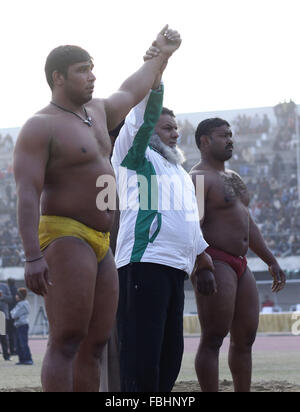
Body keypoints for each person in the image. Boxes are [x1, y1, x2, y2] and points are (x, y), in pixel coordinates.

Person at [13, 25, 182, 392]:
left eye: (92, 69)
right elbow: (27, 193)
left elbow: (133, 87)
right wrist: (30, 257)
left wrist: (161, 53)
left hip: (102, 239)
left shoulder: (99, 112)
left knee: (95, 343)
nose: (92, 77)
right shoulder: (40, 126)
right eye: (82, 71)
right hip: (64, 233)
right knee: (68, 339)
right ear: (58, 78)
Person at [111, 64, 213, 392]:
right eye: (168, 127)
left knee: (170, 356)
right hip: (144, 263)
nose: (176, 134)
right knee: (143, 357)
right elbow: (140, 115)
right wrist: (159, 68)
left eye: (176, 128)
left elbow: (189, 220)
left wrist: (203, 258)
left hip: (176, 268)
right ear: (151, 129)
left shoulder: (180, 173)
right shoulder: (136, 157)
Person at [190, 117, 286, 392]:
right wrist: (201, 264)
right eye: (224, 135)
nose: (230, 139)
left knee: (245, 338)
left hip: (241, 264)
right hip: (215, 259)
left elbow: (247, 222)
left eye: (231, 134)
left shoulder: (234, 178)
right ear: (205, 141)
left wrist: (270, 258)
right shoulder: (197, 178)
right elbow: (191, 224)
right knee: (214, 336)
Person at [10, 288, 33, 365]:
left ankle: (28, 359)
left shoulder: (22, 304)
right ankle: (22, 359)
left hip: (22, 325)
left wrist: (13, 313)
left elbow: (13, 315)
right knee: (19, 343)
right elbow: (13, 313)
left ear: (20, 296)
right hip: (20, 325)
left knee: (23, 343)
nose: (15, 296)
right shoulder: (21, 304)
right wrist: (13, 313)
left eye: (17, 295)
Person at [0, 282, 12, 361]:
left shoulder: (4, 286)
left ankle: (6, 356)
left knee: (3, 336)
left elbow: (10, 299)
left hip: (2, 315)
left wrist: (2, 296)